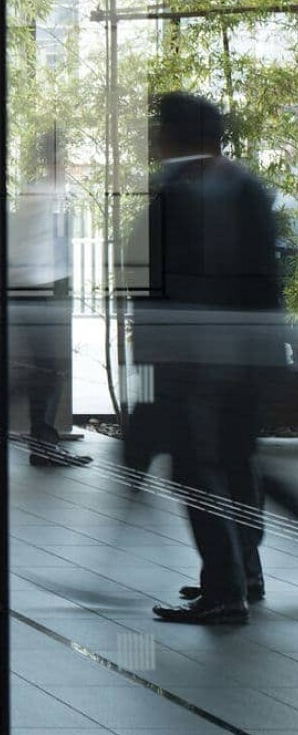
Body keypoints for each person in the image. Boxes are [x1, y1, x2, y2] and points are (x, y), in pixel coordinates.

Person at [128, 92, 285, 625]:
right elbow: (267, 281)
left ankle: (225, 591)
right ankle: (244, 573)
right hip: (243, 358)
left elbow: (153, 289)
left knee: (196, 470)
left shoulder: (178, 191)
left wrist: (145, 372)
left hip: (192, 363)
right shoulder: (245, 187)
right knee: (238, 465)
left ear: (175, 134)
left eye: (157, 126)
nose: (152, 135)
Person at [9, 129, 90, 468]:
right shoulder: (44, 192)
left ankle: (43, 441)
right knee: (50, 368)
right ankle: (41, 442)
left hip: (37, 290)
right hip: (37, 291)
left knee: (48, 368)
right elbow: (32, 247)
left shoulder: (43, 191)